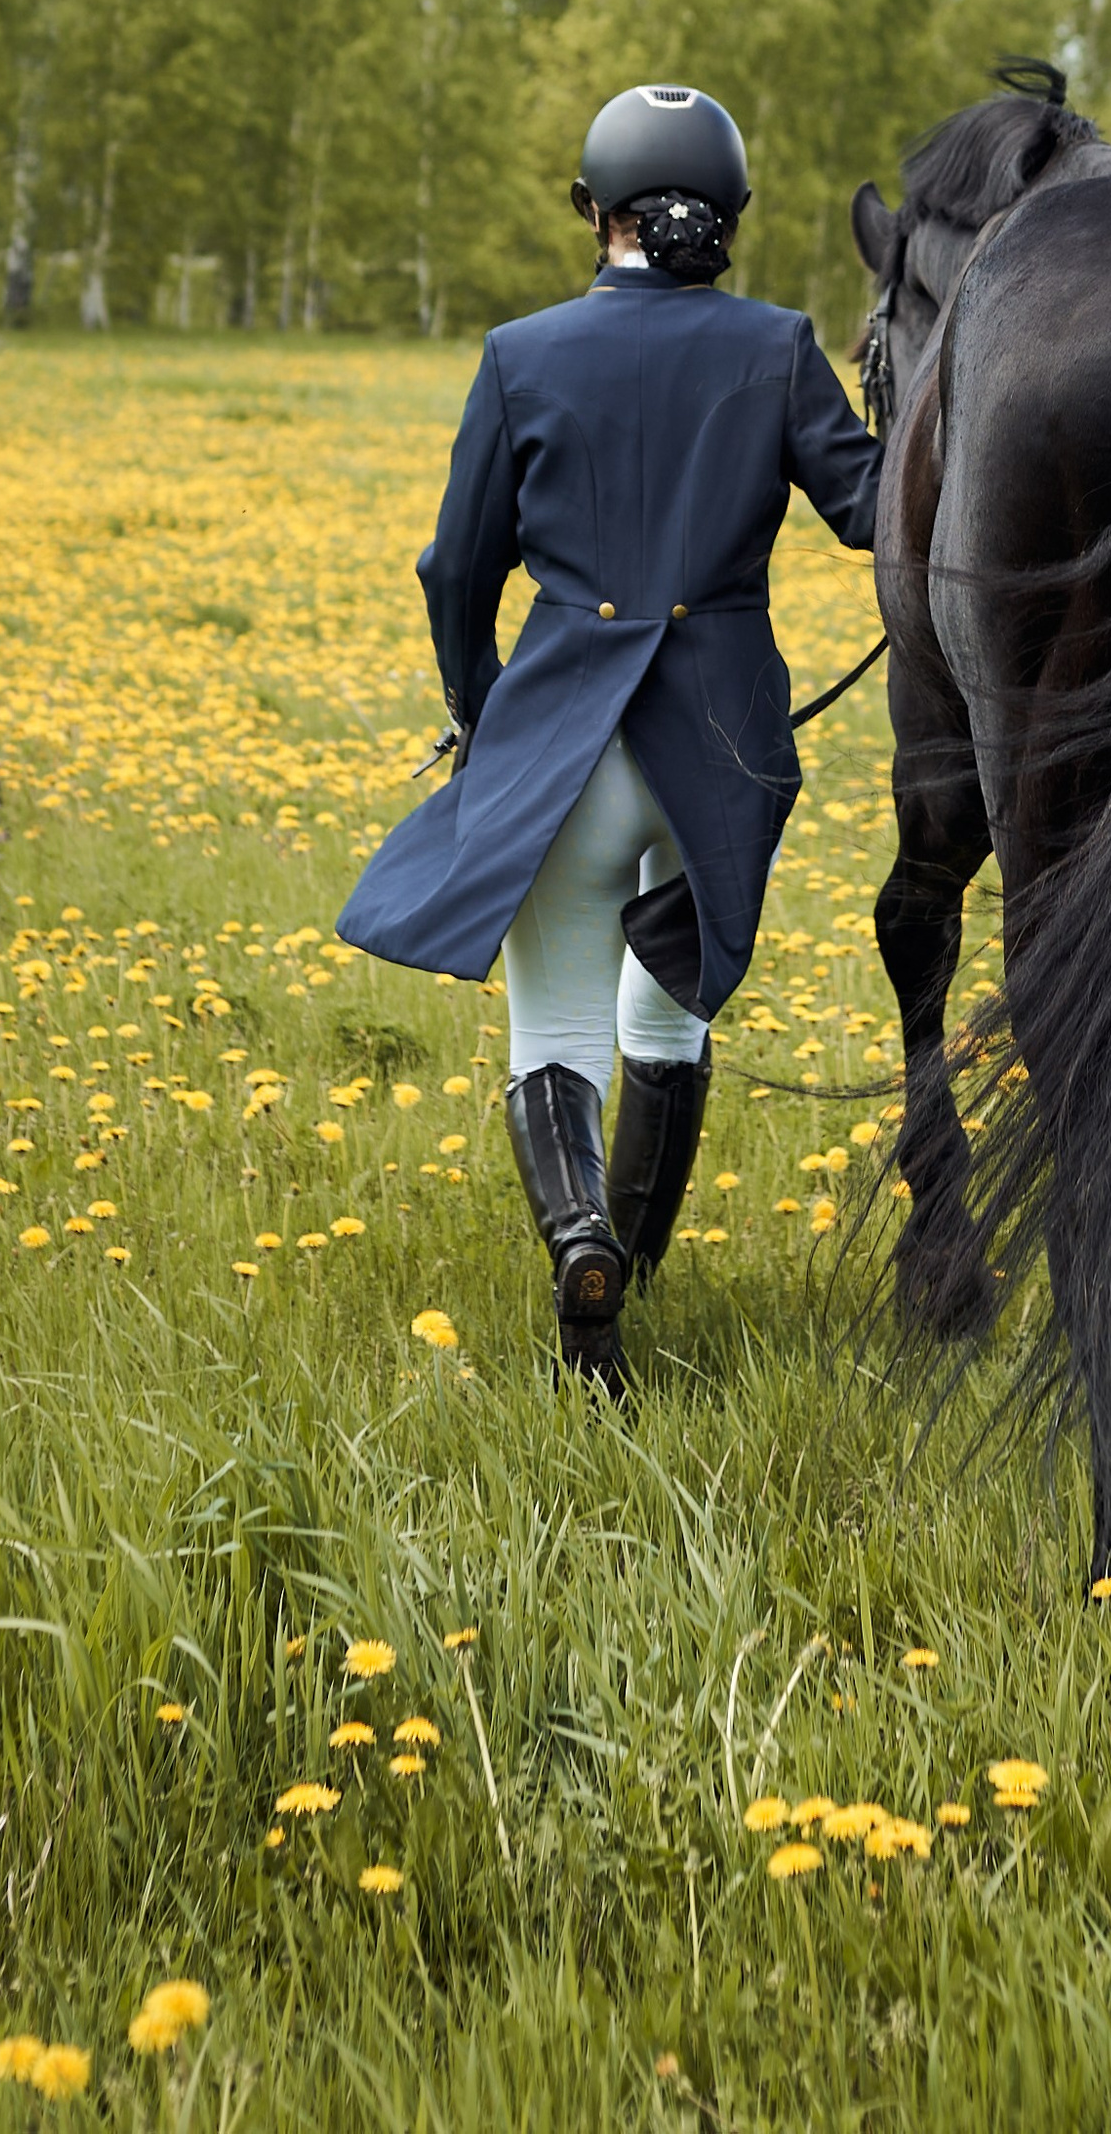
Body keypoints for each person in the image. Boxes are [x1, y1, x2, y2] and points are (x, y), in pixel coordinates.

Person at [336, 82, 879, 1389]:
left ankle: (583, 1258)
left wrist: (483, 716)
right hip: (722, 749)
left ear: (600, 215)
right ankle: (627, 1262)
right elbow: (875, 515)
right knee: (670, 1020)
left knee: (557, 1027)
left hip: (563, 738)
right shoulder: (780, 343)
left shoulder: (523, 354)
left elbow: (454, 568)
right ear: (726, 219)